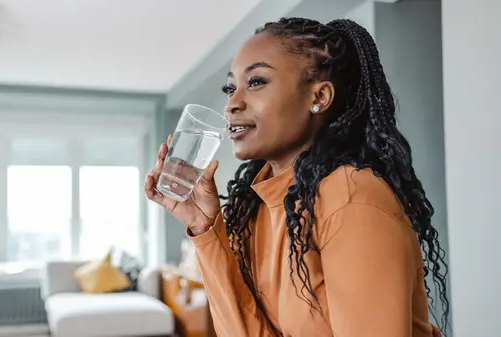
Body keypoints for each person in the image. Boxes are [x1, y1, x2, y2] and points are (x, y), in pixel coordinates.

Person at [145, 17, 449, 337]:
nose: (232, 104)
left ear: (319, 97)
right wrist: (204, 228)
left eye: (257, 81)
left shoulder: (352, 197)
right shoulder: (256, 207)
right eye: (230, 88)